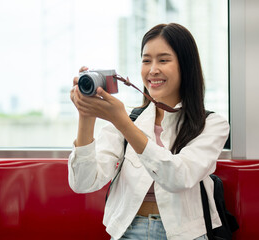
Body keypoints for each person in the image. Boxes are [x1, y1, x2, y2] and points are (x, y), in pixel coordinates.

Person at [68, 23, 229, 240]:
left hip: (186, 235)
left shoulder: (211, 124)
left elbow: (178, 177)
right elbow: (83, 183)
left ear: (186, 66)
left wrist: (123, 123)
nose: (152, 70)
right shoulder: (129, 118)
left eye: (163, 60)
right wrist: (86, 116)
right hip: (128, 231)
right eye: (146, 60)